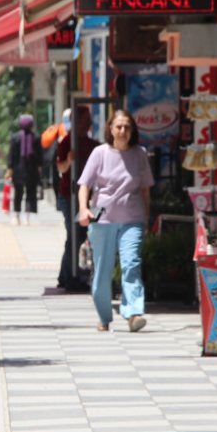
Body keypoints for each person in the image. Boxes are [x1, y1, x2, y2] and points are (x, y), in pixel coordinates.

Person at [78, 109, 154, 332]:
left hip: (133, 219)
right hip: (103, 219)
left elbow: (145, 191)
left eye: (127, 127)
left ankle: (133, 313)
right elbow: (85, 185)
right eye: (118, 127)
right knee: (102, 272)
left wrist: (147, 219)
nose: (122, 131)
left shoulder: (140, 154)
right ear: (110, 129)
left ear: (132, 131)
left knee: (131, 264)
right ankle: (104, 317)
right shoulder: (99, 153)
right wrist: (83, 209)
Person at [55, 106, 98, 291]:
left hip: (88, 197)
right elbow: (61, 168)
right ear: (77, 121)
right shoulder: (67, 141)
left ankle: (66, 276)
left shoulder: (92, 144)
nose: (89, 122)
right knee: (75, 236)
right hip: (69, 195)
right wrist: (69, 160)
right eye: (86, 119)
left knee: (76, 236)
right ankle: (69, 277)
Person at [5, 114, 41, 225]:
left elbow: (11, 155)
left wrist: (10, 168)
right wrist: (40, 168)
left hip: (18, 170)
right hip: (31, 169)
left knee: (18, 193)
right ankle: (27, 217)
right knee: (30, 193)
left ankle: (17, 216)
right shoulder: (35, 137)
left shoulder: (15, 137)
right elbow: (40, 156)